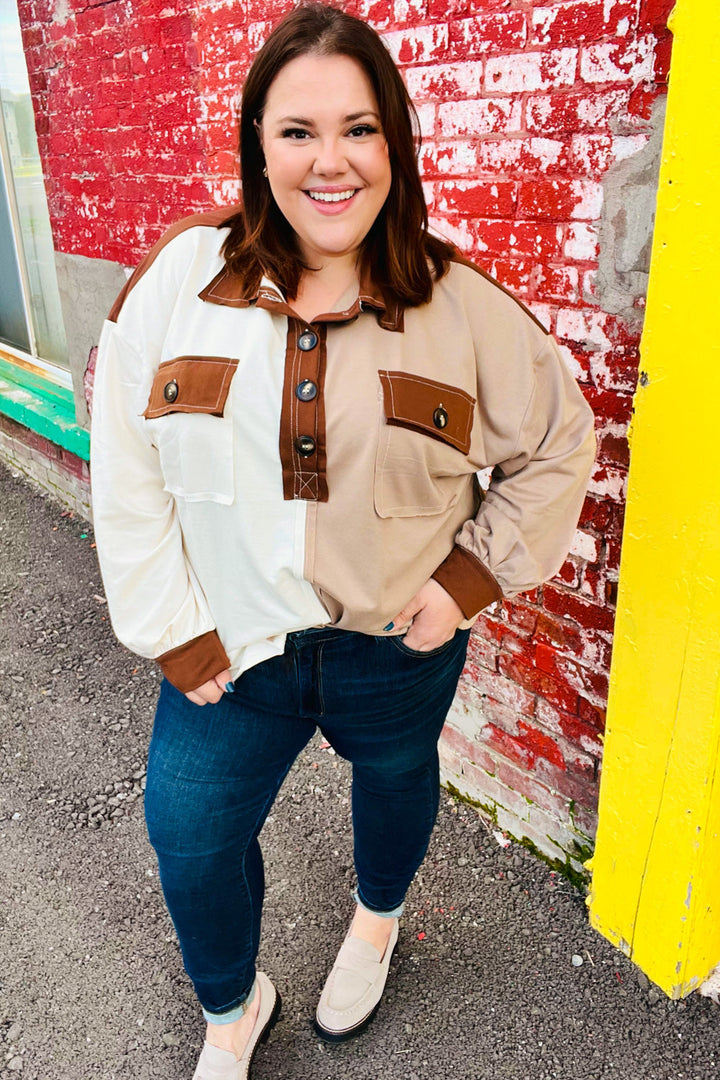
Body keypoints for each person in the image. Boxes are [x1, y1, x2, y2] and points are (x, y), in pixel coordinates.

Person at [90, 4, 596, 1077]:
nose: (332, 161)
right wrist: (168, 628)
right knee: (189, 835)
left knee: (397, 782)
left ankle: (376, 922)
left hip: (394, 648)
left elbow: (560, 443)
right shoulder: (179, 280)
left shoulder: (460, 305)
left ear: (394, 144)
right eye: (299, 130)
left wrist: (466, 584)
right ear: (258, 144)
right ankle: (233, 1010)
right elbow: (126, 463)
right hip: (232, 653)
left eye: (359, 129)